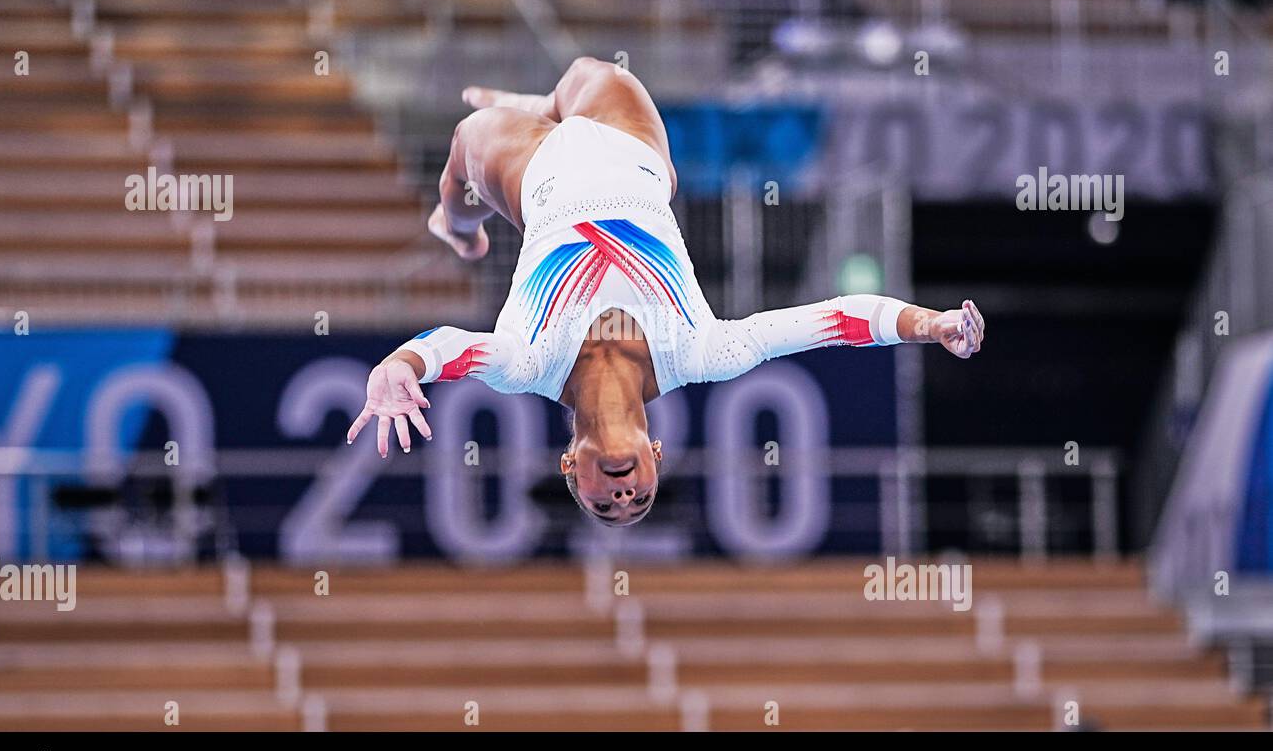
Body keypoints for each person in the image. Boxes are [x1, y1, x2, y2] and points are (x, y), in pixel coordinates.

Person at [346, 57, 984, 527]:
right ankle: (545, 103)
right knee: (593, 71)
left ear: (572, 465)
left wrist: (397, 367)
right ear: (656, 454)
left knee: (466, 149)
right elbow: (832, 320)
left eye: (603, 501)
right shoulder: (700, 353)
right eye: (639, 497)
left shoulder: (528, 365)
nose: (622, 495)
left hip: (534, 179)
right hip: (636, 159)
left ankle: (456, 229)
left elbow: (447, 347)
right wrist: (930, 325)